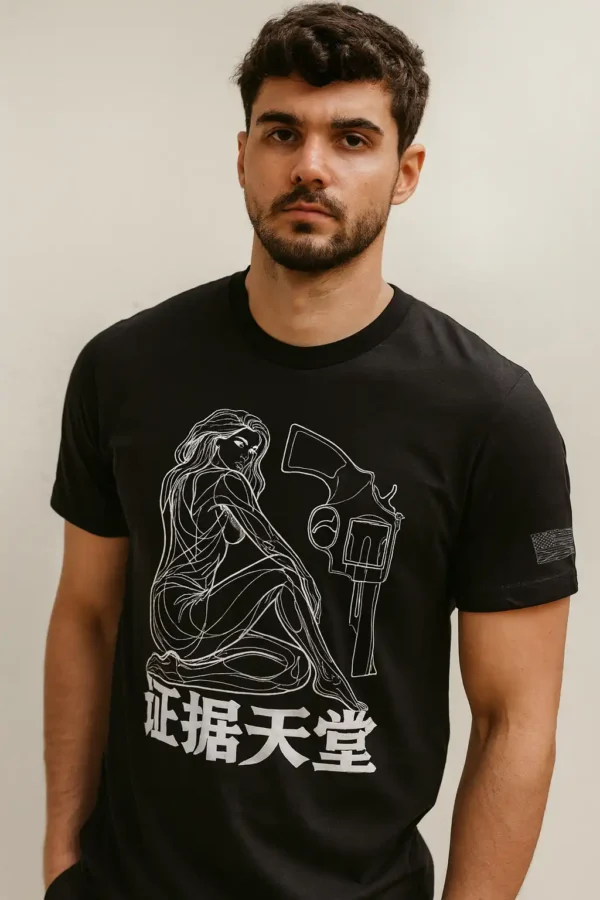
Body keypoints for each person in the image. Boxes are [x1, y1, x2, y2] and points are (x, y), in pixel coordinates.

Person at [43, 3, 577, 899]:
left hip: (363, 883)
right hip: (131, 870)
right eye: (282, 132)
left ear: (406, 172)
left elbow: (515, 719)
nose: (311, 167)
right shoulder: (125, 369)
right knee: (284, 578)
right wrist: (63, 859)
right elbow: (88, 619)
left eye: (353, 138)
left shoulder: (492, 413)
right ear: (243, 154)